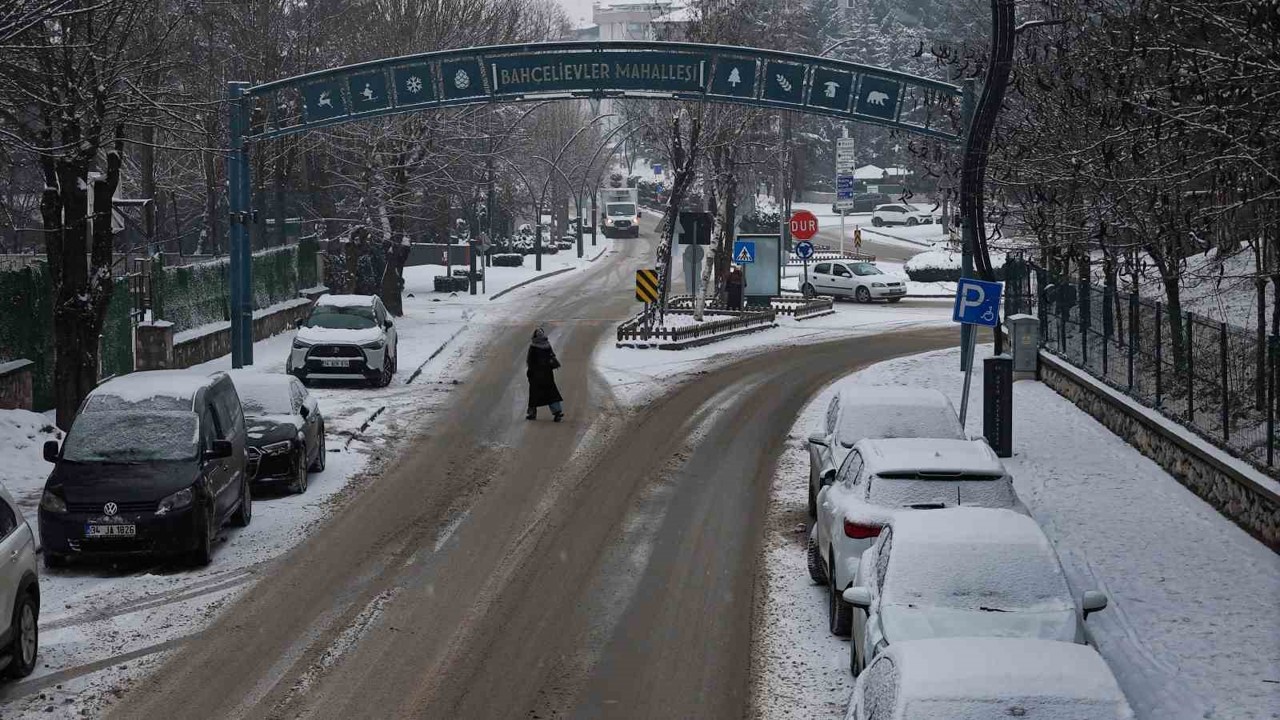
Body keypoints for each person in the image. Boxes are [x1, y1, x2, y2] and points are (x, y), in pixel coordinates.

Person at [526, 328, 564, 422]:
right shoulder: (547, 345)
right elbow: (552, 356)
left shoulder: (533, 347)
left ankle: (532, 413)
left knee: (534, 394)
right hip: (547, 374)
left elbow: (530, 361)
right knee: (551, 393)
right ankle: (557, 412)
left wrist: (529, 373)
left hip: (536, 374)